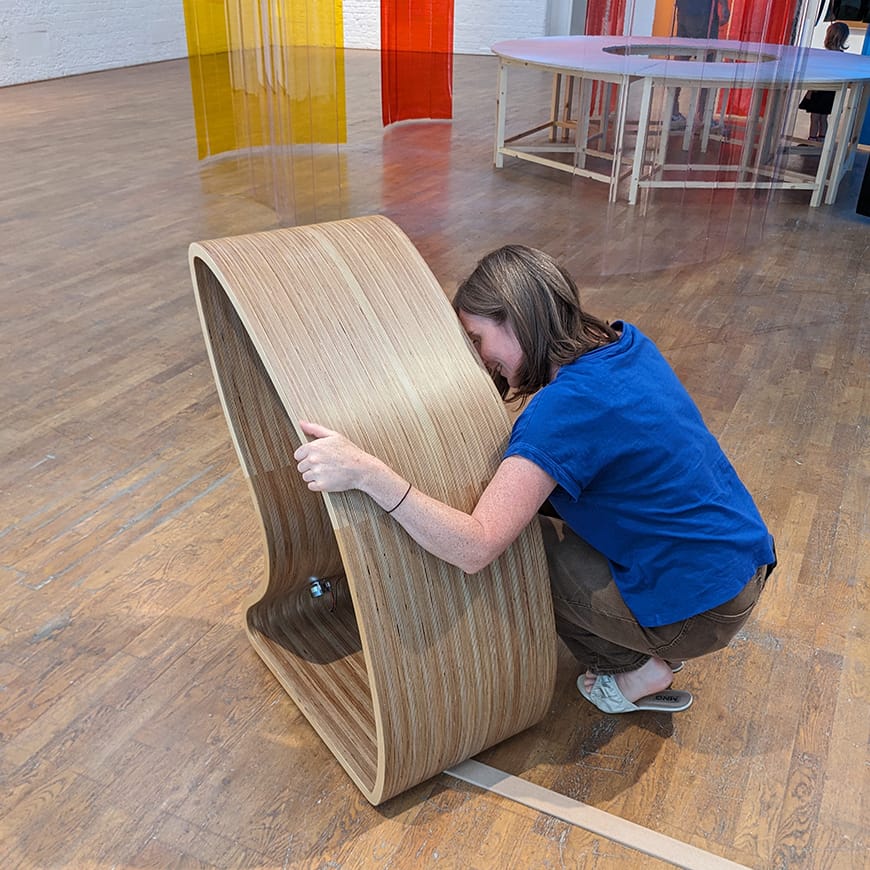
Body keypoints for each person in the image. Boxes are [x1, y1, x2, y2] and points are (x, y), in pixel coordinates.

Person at [294, 245, 776, 715]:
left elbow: (475, 548)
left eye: (477, 338)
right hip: (739, 565)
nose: (480, 358)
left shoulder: (562, 412)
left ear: (516, 317)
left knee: (524, 552)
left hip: (703, 608)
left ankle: (637, 667)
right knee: (545, 515)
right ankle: (653, 637)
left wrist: (366, 472)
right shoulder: (623, 345)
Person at [671, 0, 731, 128]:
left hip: (689, 11)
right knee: (707, 63)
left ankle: (674, 111)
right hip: (702, 14)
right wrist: (724, 6)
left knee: (682, 60)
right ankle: (703, 114)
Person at [799, 22, 850, 141]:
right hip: (831, 92)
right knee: (823, 118)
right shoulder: (843, 57)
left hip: (819, 90)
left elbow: (818, 74)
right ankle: (822, 140)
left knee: (815, 117)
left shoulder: (824, 56)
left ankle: (812, 139)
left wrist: (810, 91)